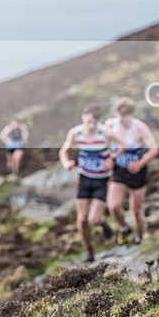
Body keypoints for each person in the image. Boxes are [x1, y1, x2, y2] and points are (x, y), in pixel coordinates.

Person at [59, 106, 126, 262]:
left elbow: (123, 144)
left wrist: (113, 158)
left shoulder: (105, 133)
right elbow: (63, 151)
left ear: (98, 121)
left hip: (102, 180)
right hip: (84, 178)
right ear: (83, 117)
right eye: (88, 122)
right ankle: (89, 251)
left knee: (94, 219)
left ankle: (103, 223)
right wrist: (66, 163)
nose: (91, 126)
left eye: (94, 123)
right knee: (81, 220)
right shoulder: (76, 133)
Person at [105, 97, 159, 245]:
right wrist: (109, 158)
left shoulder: (140, 128)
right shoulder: (111, 124)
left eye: (124, 116)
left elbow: (154, 149)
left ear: (131, 114)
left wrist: (140, 164)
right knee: (113, 206)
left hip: (137, 172)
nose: (121, 119)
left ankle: (139, 237)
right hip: (119, 171)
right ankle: (124, 228)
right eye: (118, 115)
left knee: (135, 210)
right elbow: (104, 143)